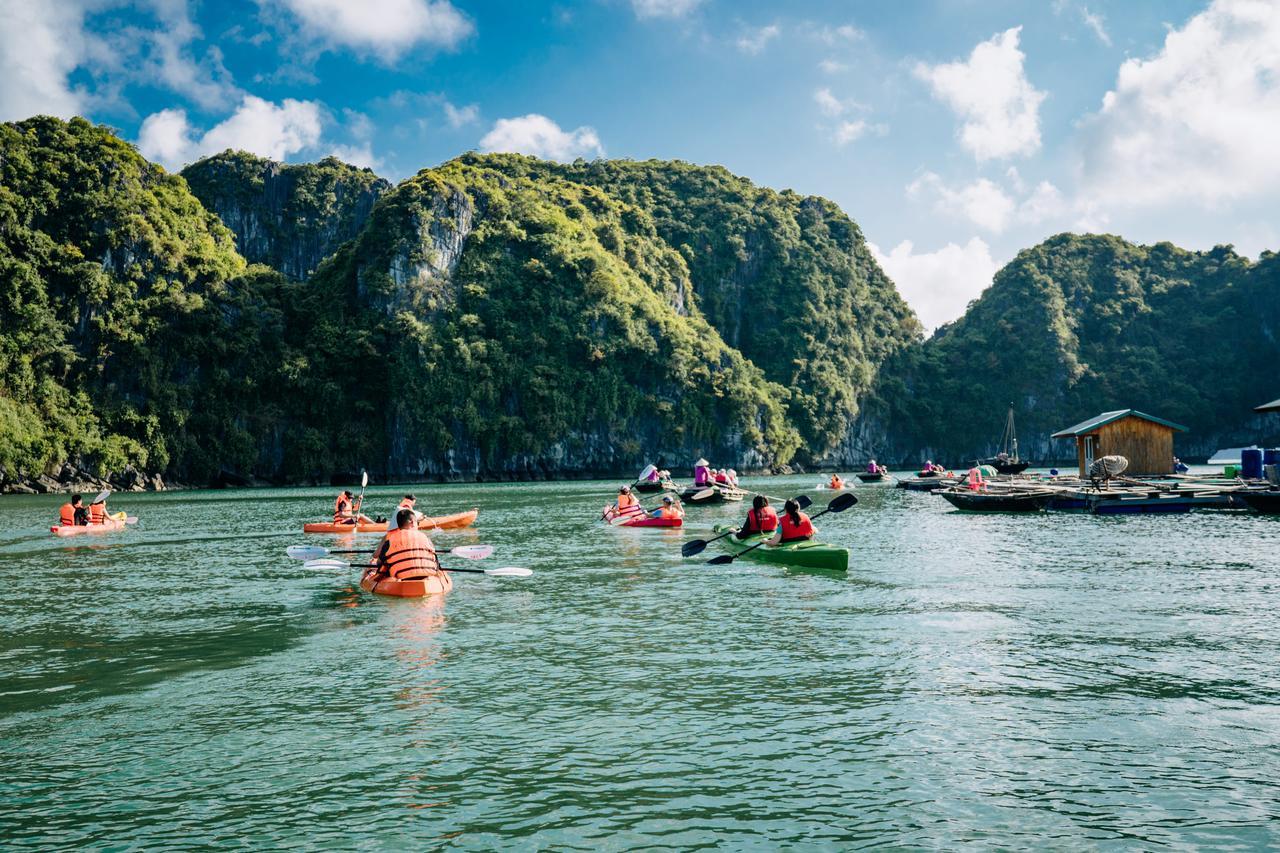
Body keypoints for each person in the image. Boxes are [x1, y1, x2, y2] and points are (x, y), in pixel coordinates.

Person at [364, 509, 450, 593]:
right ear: (412, 522)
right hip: (427, 576)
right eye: (417, 523)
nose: (418, 525)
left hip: (401, 578)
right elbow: (435, 560)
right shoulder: (425, 538)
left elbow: (379, 563)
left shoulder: (389, 540)